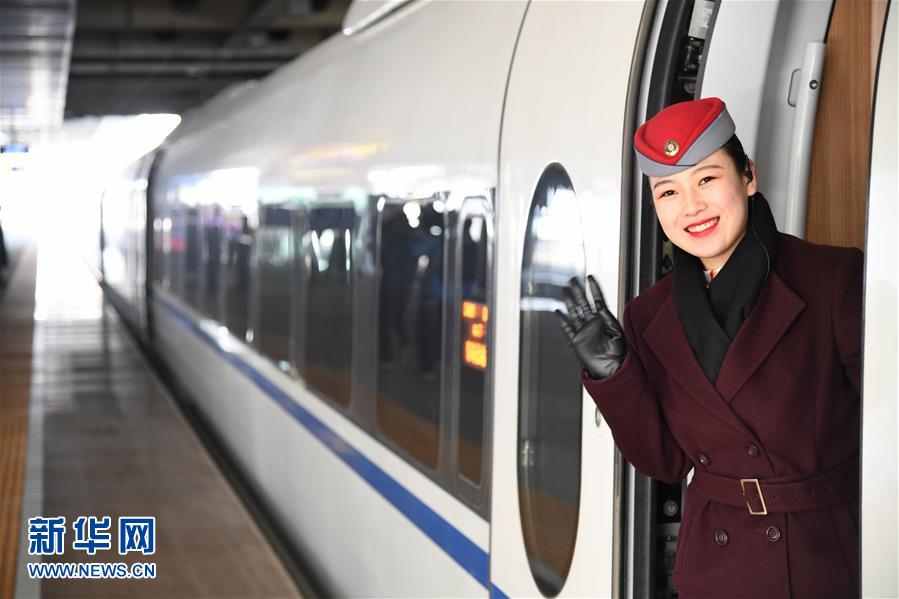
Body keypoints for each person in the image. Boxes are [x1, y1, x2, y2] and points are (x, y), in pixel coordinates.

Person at [556, 97, 863, 598]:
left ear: (748, 177)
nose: (691, 207)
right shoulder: (648, 315)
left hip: (820, 558)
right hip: (712, 570)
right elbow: (666, 464)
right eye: (668, 192)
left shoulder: (833, 279)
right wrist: (613, 376)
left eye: (707, 179)